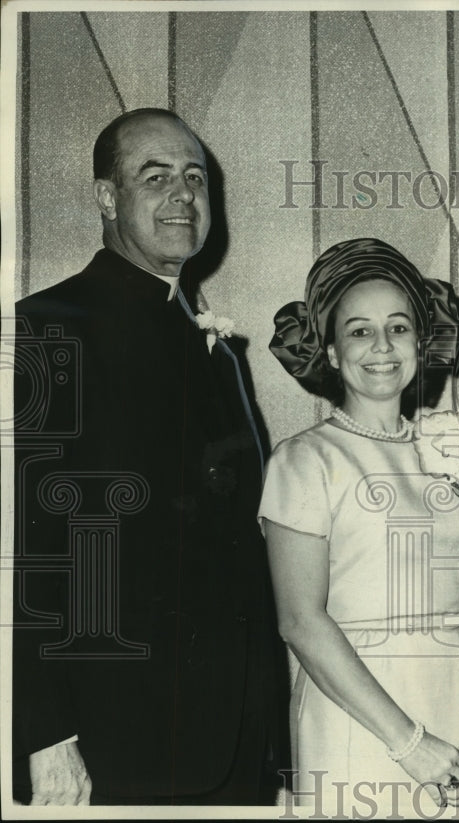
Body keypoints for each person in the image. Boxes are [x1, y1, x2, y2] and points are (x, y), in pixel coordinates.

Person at [13, 108, 285, 804]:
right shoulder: (54, 326)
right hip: (116, 732)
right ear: (108, 197)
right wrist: (45, 733)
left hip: (234, 734)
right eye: (154, 176)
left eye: (195, 178)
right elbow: (31, 540)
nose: (183, 196)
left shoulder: (218, 352)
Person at [263, 237, 459, 817]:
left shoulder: (456, 448)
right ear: (328, 350)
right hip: (359, 716)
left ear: (422, 344)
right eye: (358, 331)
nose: (381, 346)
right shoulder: (304, 460)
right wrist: (409, 741)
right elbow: (301, 621)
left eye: (398, 328)